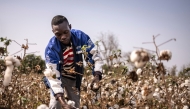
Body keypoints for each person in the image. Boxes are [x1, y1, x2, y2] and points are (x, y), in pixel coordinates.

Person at [44, 15, 103, 109]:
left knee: (75, 105)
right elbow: (53, 77)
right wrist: (63, 103)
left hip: (74, 78)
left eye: (66, 32)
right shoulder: (51, 49)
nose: (63, 37)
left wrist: (97, 76)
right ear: (53, 32)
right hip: (59, 78)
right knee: (55, 105)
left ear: (70, 27)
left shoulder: (80, 37)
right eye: (58, 34)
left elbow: (95, 55)